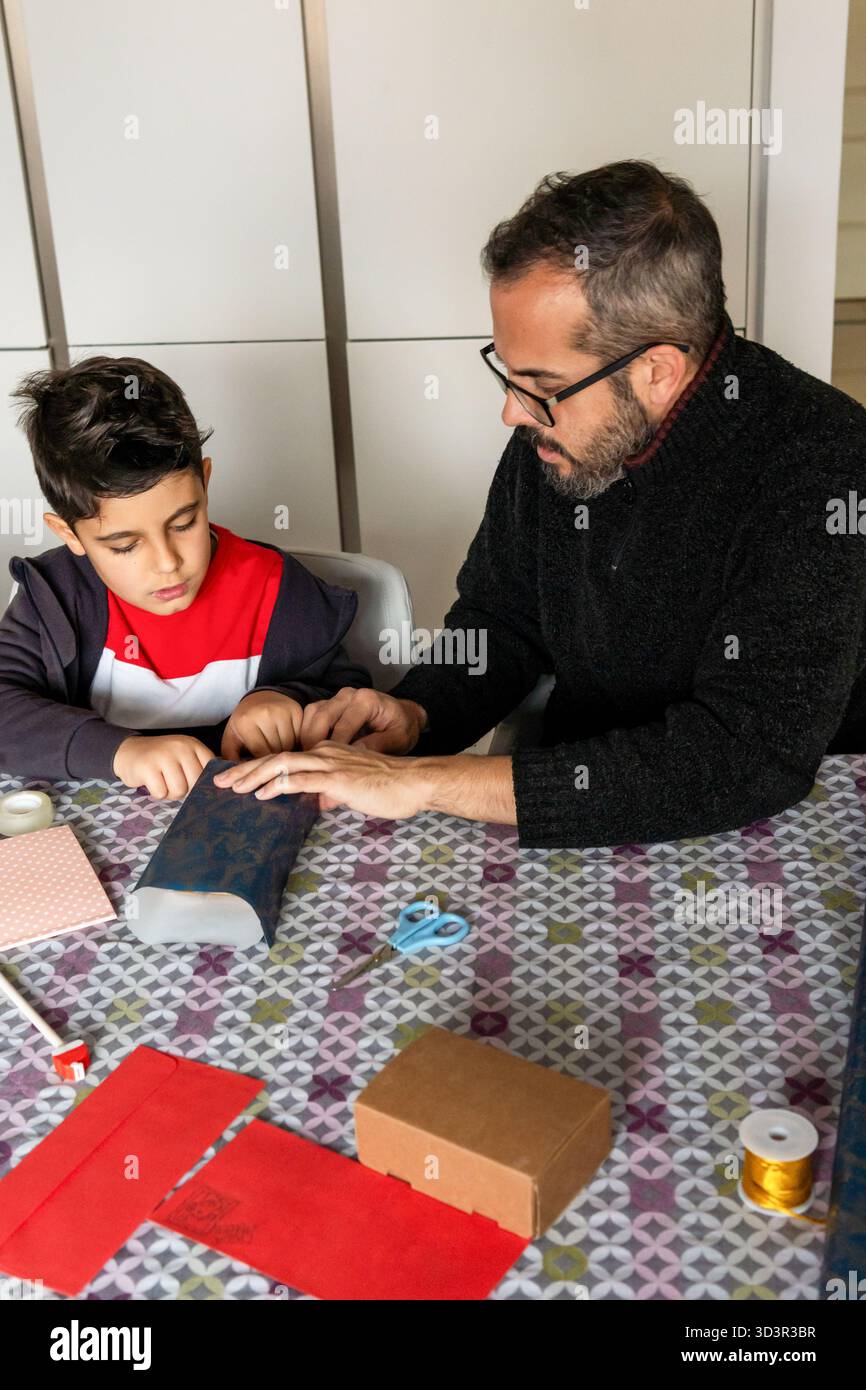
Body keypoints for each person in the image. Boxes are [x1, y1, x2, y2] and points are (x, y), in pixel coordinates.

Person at [213, 159, 866, 850]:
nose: (513, 413)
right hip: (575, 804)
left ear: (657, 371)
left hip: (782, 830)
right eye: (510, 374)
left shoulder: (823, 466)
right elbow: (504, 616)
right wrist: (417, 714)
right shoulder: (560, 431)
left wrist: (428, 782)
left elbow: (744, 758)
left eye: (543, 386)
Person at [0, 356, 371, 799]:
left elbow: (349, 697)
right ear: (69, 534)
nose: (167, 563)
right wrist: (118, 752)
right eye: (125, 545)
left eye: (183, 524)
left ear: (205, 483)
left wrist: (285, 698)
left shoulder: (275, 588)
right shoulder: (55, 596)